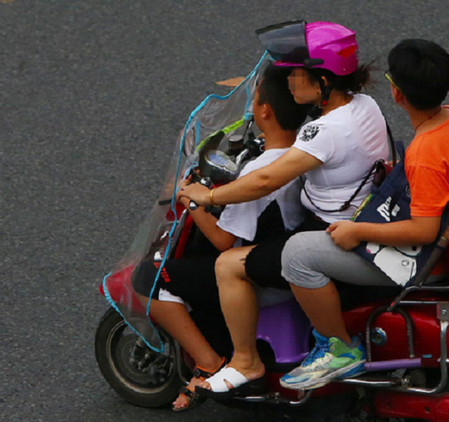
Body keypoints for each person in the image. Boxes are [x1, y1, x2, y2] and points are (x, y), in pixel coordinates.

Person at [182, 21, 390, 395]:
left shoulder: (323, 131)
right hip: (362, 215)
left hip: (329, 234)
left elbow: (265, 180)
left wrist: (208, 197)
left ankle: (248, 360)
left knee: (229, 264)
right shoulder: (366, 105)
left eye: (297, 73)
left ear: (322, 82)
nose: (291, 80)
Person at [277, 39, 449, 389]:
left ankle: (341, 350)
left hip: (426, 257)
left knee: (297, 254)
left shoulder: (424, 152)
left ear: (397, 93)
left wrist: (358, 233)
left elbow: (423, 230)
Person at [131, 63, 310, 410]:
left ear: (264, 110)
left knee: (149, 277)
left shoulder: (260, 172)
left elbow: (223, 241)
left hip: (253, 277)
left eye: (255, 99)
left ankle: (209, 363)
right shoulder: (301, 154)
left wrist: (192, 197)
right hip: (283, 258)